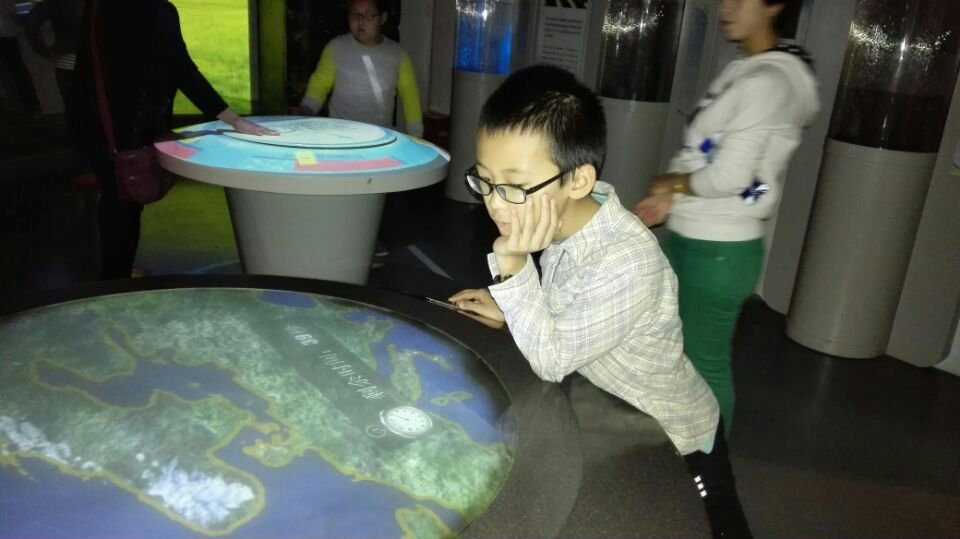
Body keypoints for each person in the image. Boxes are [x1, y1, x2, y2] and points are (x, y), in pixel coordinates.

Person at [449, 64, 752, 539]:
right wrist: (512, 308)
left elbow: (551, 360)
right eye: (484, 180)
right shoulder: (565, 220)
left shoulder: (625, 260)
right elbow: (567, 309)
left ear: (577, 180)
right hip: (611, 412)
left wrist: (514, 268)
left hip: (672, 441)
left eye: (514, 186)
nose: (495, 203)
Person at [634, 0, 819, 435]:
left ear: (774, 6)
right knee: (676, 354)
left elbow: (730, 176)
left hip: (720, 248)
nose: (726, 6)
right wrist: (670, 200)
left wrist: (673, 184)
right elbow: (706, 152)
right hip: (697, 236)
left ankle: (709, 464)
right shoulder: (744, 70)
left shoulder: (767, 82)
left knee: (704, 366)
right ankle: (676, 449)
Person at [70, 0, 274, 280]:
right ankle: (116, 280)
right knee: (125, 203)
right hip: (127, 130)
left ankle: (115, 272)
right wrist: (233, 119)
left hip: (95, 123)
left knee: (114, 198)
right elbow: (181, 69)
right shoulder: (155, 9)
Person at [297, 0, 423, 139]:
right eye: (354, 15)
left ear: (383, 18)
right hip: (339, 135)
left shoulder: (398, 55)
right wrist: (307, 108)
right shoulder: (336, 48)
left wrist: (416, 136)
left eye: (368, 15)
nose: (360, 21)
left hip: (379, 136)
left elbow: (411, 100)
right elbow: (320, 84)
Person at [23, 0, 85, 104]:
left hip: (66, 59)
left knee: (74, 104)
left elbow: (30, 23)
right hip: (96, 59)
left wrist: (44, 51)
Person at [0, 0, 42, 117]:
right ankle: (29, 106)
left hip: (9, 34)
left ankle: (30, 106)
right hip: (8, 32)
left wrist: (13, 13)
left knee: (17, 70)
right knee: (16, 70)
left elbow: (31, 5)